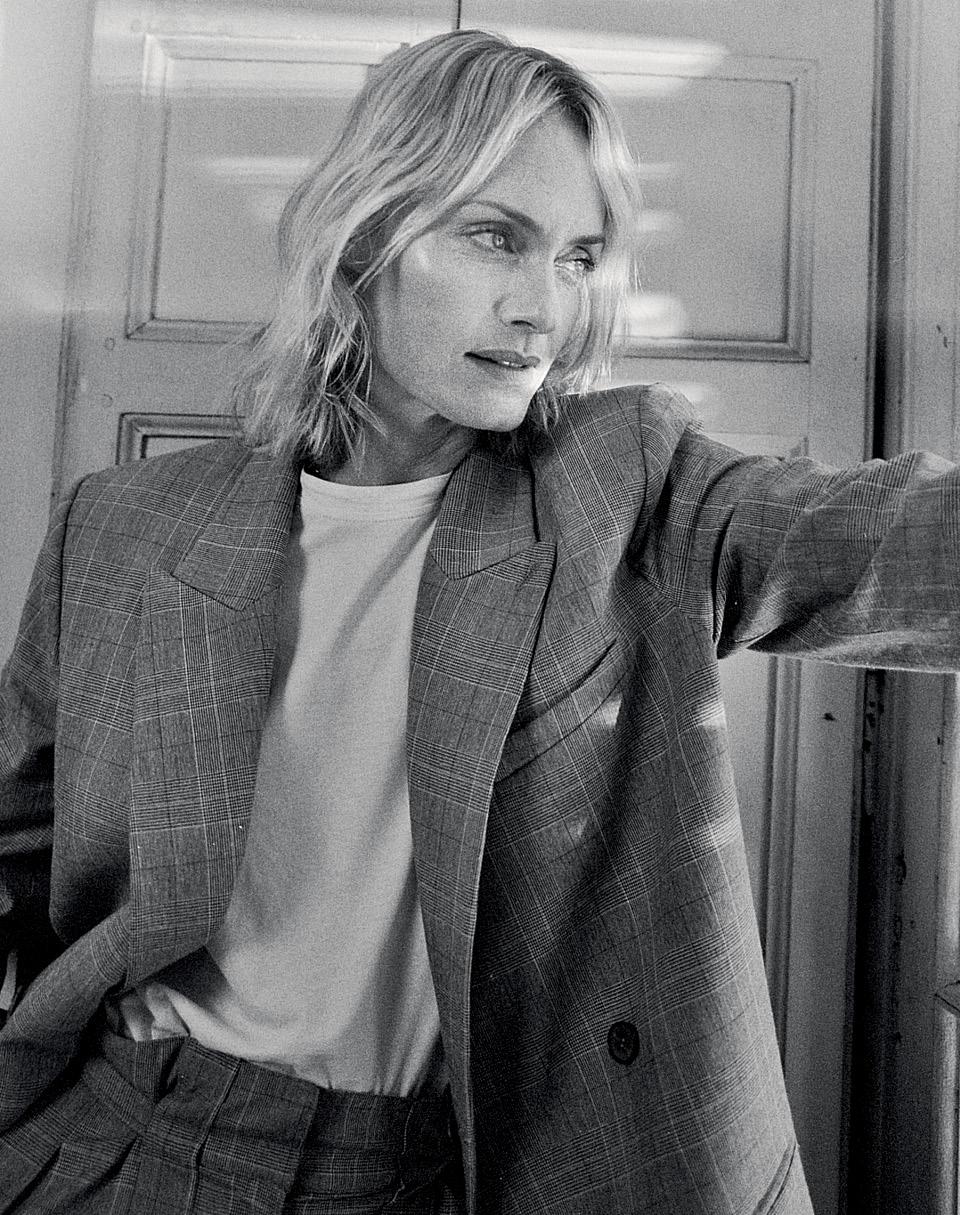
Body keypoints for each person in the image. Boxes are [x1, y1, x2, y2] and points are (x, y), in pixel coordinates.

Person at [0, 26, 957, 1215]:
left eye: (578, 257)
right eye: (496, 237)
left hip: (431, 1170)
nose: (542, 306)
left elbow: (901, 542)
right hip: (111, 1142)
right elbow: (19, 843)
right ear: (366, 237)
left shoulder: (626, 489)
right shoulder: (125, 525)